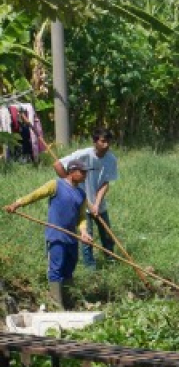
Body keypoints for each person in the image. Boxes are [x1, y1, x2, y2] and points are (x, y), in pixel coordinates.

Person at [5, 159, 93, 310]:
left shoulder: (81, 194)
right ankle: (57, 306)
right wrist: (16, 204)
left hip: (71, 238)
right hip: (56, 236)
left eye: (86, 172)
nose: (85, 175)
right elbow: (35, 195)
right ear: (72, 172)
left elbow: (81, 217)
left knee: (69, 270)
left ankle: (70, 303)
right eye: (82, 172)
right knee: (56, 269)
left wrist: (84, 232)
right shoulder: (56, 185)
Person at [53, 128, 118, 268]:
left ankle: (111, 261)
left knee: (107, 235)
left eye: (108, 142)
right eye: (103, 141)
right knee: (87, 236)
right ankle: (90, 267)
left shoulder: (111, 159)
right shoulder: (82, 155)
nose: (106, 145)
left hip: (98, 204)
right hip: (82, 203)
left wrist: (96, 203)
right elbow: (57, 165)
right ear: (95, 142)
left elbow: (105, 183)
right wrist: (70, 183)